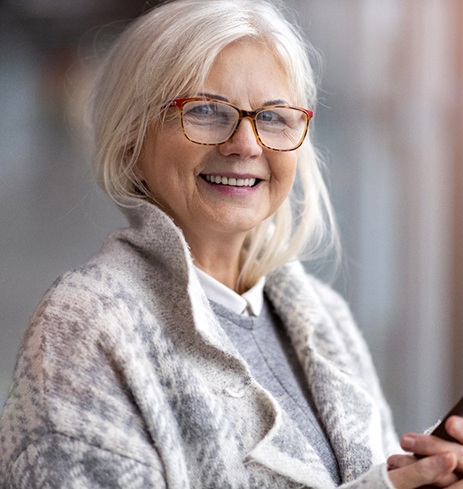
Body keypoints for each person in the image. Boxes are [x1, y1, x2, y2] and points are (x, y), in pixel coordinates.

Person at [1, 0, 462, 487]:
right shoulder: (86, 324)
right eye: (205, 110)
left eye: (274, 117)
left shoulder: (326, 320)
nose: (246, 144)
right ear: (132, 138)